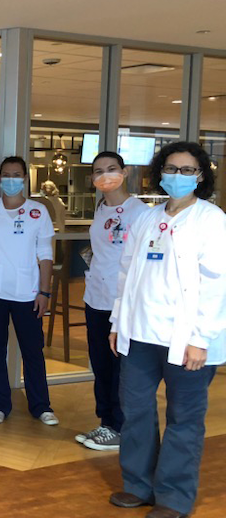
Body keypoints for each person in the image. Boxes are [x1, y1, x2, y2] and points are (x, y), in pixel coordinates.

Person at [108, 142, 226, 518]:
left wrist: (199, 338)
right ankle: (138, 485)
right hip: (140, 335)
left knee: (184, 417)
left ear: (201, 176)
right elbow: (126, 272)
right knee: (137, 410)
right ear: (160, 172)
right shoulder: (146, 217)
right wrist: (117, 321)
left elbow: (215, 283)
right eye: (171, 168)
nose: (177, 176)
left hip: (185, 340)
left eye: (187, 170)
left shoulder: (211, 219)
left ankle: (174, 497)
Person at [0, 156, 58, 426]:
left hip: (28, 294)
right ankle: (0, 404)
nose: (11, 179)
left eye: (16, 174)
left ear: (24, 178)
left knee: (33, 351)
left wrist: (44, 292)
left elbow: (45, 253)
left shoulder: (38, 211)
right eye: (6, 174)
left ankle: (41, 406)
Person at [76, 151, 147, 452]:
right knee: (101, 365)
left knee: (120, 367)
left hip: (124, 302)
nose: (105, 175)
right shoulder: (101, 210)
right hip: (96, 298)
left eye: (112, 169)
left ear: (125, 172)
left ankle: (119, 426)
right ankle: (106, 422)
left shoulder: (141, 213)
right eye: (98, 171)